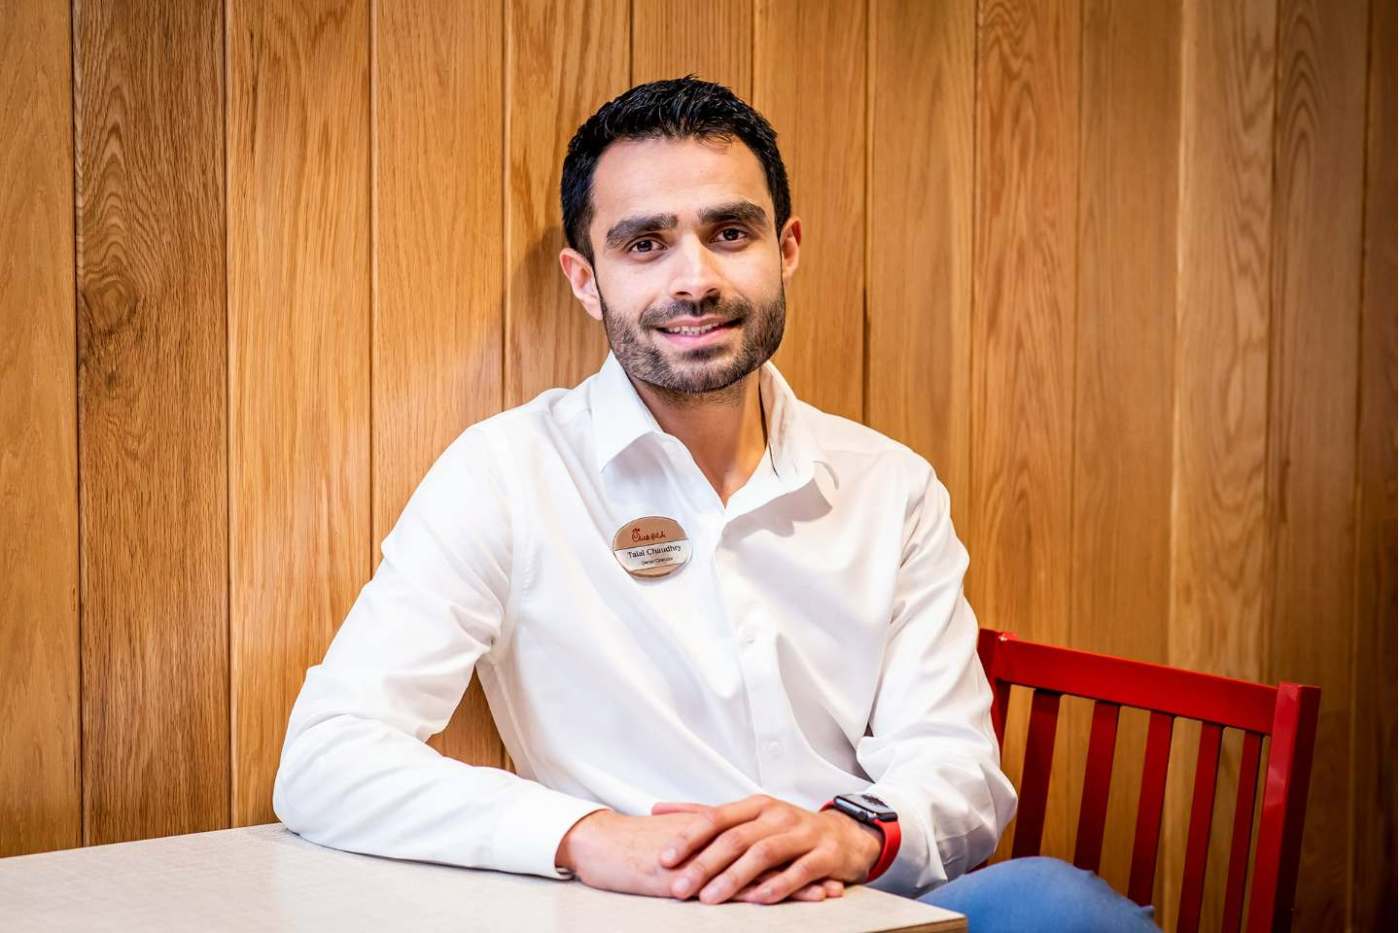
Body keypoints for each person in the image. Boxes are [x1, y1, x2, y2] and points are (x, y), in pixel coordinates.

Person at [273, 75, 1156, 931]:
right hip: (636, 913)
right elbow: (328, 755)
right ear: (585, 280)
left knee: (1061, 905)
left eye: (730, 232)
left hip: (864, 909)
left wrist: (852, 833)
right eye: (645, 243)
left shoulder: (893, 486)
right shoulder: (505, 473)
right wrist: (585, 838)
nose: (694, 279)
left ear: (788, 249)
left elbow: (956, 768)